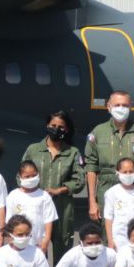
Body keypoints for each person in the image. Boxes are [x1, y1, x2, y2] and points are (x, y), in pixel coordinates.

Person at [84, 90, 134, 225]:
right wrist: (92, 202)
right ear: (108, 106)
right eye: (117, 105)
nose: (121, 108)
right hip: (106, 190)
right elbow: (91, 168)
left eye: (124, 105)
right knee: (108, 236)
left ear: (131, 106)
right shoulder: (98, 132)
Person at [21, 111, 86, 259]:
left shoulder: (72, 152)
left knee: (62, 251)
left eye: (61, 127)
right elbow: (21, 175)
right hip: (36, 207)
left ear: (67, 130)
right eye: (53, 125)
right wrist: (33, 190)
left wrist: (59, 190)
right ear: (47, 126)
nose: (56, 129)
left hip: (62, 207)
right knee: (35, 250)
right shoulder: (33, 150)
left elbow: (79, 181)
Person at [6, 160, 58, 254]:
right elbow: (9, 221)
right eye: (27, 176)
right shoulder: (13, 196)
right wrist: (10, 240)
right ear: (20, 177)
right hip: (18, 242)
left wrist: (46, 239)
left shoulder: (44, 196)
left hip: (38, 244)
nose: (31, 178)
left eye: (34, 175)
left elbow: (48, 220)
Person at [101, 157, 134, 250]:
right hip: (118, 238)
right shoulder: (112, 192)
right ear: (118, 172)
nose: (128, 174)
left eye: (131, 171)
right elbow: (108, 218)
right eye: (124, 172)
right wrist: (110, 240)